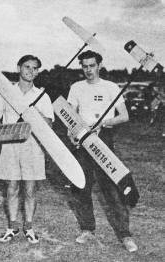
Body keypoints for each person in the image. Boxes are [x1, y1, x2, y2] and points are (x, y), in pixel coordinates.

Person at [66, 50, 138, 252]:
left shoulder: (111, 87)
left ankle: (125, 235)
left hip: (103, 141)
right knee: (82, 187)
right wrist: (71, 133)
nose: (88, 70)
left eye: (92, 65)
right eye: (85, 66)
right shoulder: (76, 87)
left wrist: (105, 123)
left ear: (99, 65)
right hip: (82, 141)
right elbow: (70, 115)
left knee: (112, 190)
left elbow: (124, 116)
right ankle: (87, 229)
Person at [0, 55, 54, 244]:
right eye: (27, 67)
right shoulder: (6, 92)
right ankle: (12, 226)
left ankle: (29, 227)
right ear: (19, 68)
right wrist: (4, 133)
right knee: (12, 188)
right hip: (10, 146)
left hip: (33, 147)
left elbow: (49, 123)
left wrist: (36, 115)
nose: (30, 71)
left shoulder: (42, 95)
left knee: (30, 189)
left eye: (35, 68)